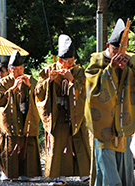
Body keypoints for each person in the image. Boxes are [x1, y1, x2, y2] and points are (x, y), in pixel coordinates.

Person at [35, 34, 91, 186]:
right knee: (59, 143)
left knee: (80, 141)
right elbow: (37, 91)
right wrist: (49, 81)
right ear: (60, 60)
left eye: (73, 60)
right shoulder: (49, 70)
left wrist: (71, 80)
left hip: (76, 112)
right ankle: (61, 177)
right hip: (58, 112)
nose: (71, 63)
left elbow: (84, 90)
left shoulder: (78, 71)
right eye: (68, 61)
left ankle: (85, 174)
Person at [85, 18, 135, 186]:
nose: (120, 53)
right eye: (116, 49)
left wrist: (126, 71)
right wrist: (110, 70)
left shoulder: (130, 60)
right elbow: (92, 87)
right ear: (108, 46)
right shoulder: (97, 60)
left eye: (123, 49)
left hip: (123, 118)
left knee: (124, 159)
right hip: (103, 121)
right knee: (106, 160)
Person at [0, 50, 42, 181]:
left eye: (21, 68)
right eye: (16, 69)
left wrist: (30, 87)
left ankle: (29, 173)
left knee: (29, 140)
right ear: (10, 70)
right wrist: (13, 89)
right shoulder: (3, 82)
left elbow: (40, 94)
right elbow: (0, 101)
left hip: (26, 114)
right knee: (11, 141)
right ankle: (8, 172)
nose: (19, 72)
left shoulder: (31, 80)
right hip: (10, 117)